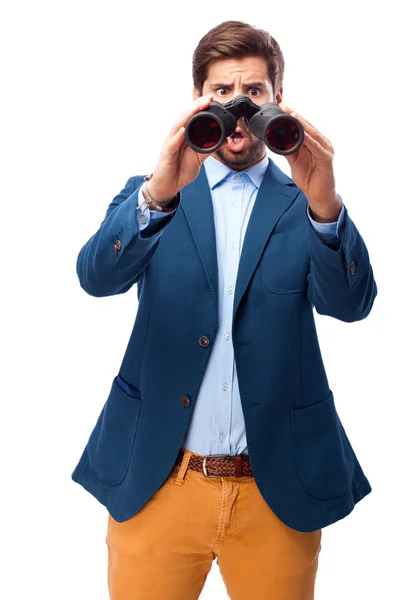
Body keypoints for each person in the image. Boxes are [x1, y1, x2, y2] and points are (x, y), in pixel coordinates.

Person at [71, 19, 378, 600]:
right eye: (220, 94)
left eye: (254, 94)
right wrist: (157, 194)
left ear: (278, 101)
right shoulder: (154, 192)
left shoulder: (305, 203)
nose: (238, 111)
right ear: (196, 102)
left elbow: (352, 305)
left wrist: (326, 205)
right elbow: (96, 278)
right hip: (159, 481)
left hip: (275, 490)